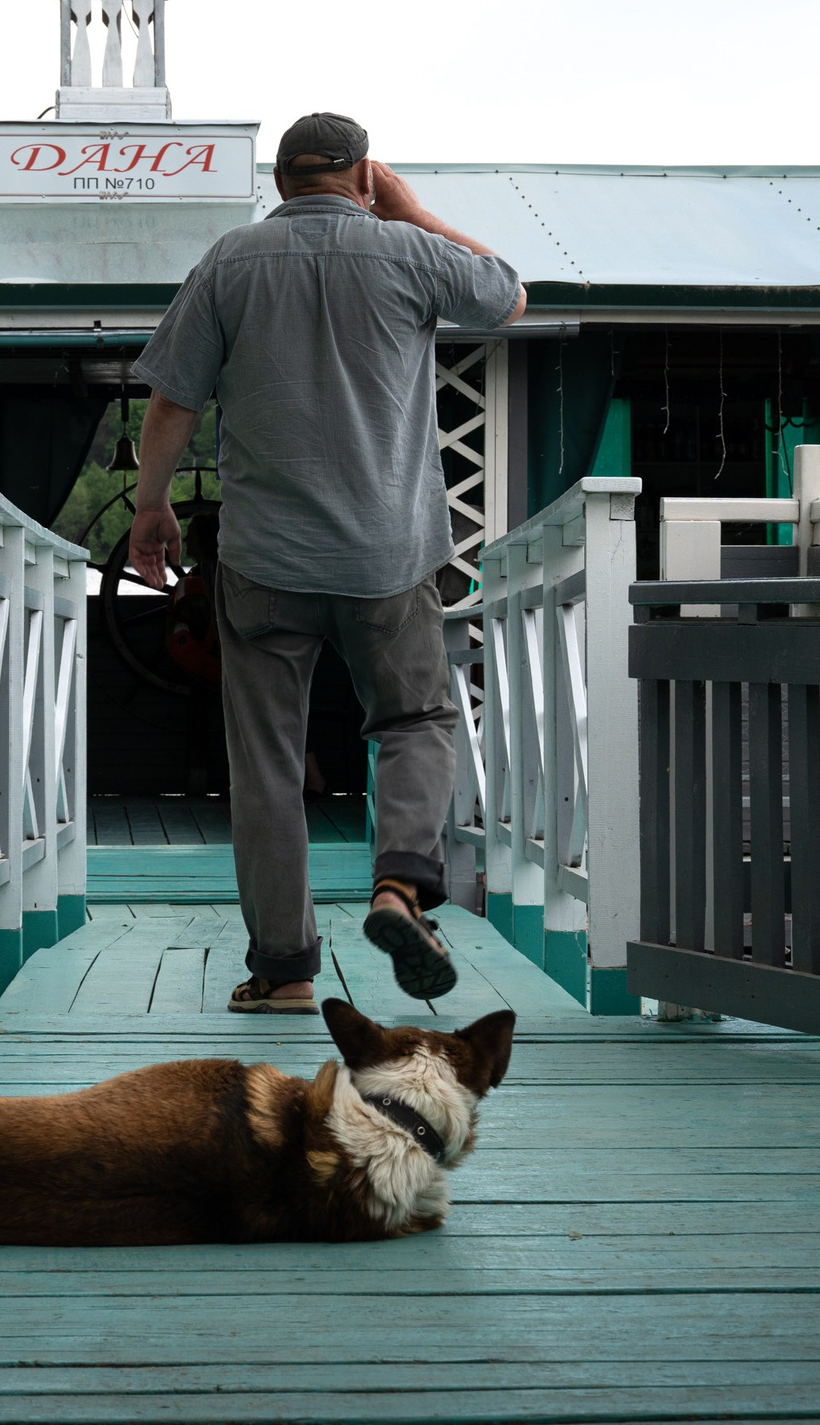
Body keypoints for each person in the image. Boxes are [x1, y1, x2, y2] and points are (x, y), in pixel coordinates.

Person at [128, 113, 527, 1012]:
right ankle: (400, 884)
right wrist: (413, 211)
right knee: (417, 716)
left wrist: (152, 506)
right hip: (390, 556)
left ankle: (284, 969)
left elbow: (171, 404)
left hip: (266, 560)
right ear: (364, 176)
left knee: (266, 759)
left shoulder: (229, 262)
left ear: (279, 184)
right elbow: (506, 295)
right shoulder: (406, 253)